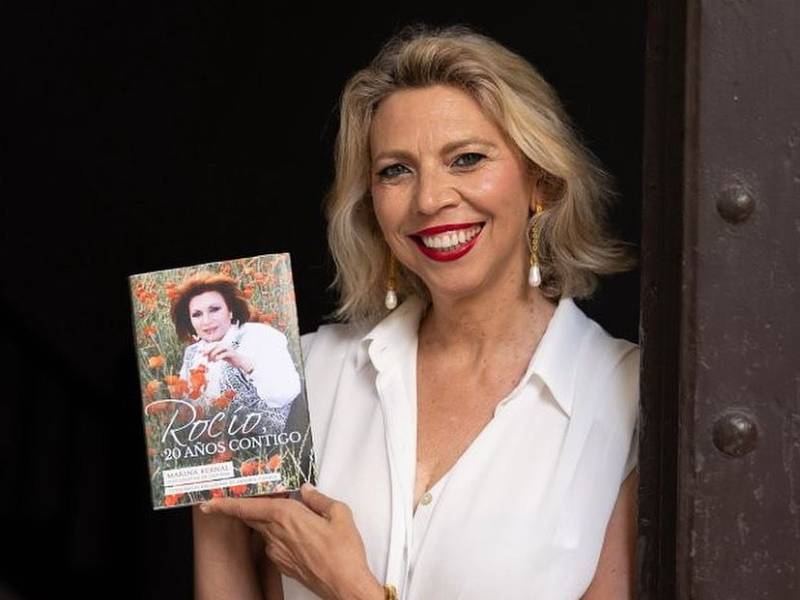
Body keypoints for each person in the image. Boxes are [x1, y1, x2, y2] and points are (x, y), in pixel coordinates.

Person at [193, 23, 639, 600]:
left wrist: (350, 589)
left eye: (467, 159)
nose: (429, 199)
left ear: (542, 184)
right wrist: (208, 495)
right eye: (395, 170)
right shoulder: (301, 376)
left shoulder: (630, 399)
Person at [170, 271, 301, 435]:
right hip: (213, 441)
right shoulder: (192, 353)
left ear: (230, 310)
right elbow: (187, 408)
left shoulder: (260, 336)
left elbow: (286, 393)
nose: (206, 321)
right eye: (197, 314)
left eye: (214, 310)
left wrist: (243, 362)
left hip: (267, 442)